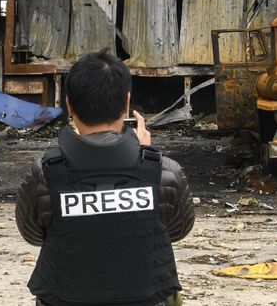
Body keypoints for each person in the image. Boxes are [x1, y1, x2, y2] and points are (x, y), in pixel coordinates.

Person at [15, 49, 195, 306]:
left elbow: (33, 235)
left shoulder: (44, 172)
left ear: (69, 106)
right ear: (126, 103)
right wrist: (144, 154)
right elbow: (176, 231)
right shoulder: (164, 171)